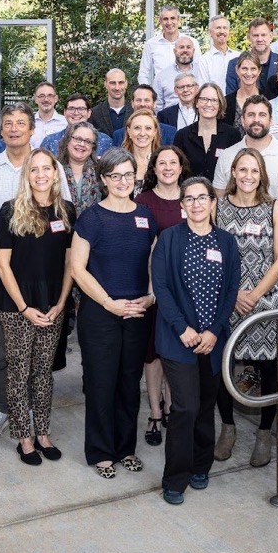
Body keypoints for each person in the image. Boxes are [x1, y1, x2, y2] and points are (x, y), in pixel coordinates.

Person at [0, 102, 74, 438]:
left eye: (21, 123)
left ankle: (33, 409)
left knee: (41, 359)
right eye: (8, 123)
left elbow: (66, 232)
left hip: (47, 282)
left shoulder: (54, 173)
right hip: (3, 274)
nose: (14, 128)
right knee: (3, 350)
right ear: (0, 130)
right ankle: (3, 407)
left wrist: (62, 296)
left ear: (33, 129)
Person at [70, 148, 159, 478]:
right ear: (103, 179)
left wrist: (150, 298)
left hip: (138, 311)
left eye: (128, 174)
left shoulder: (145, 216)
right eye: (115, 175)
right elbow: (78, 268)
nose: (123, 181)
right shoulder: (91, 218)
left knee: (128, 383)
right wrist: (108, 302)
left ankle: (126, 448)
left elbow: (153, 263)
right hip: (100, 312)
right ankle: (101, 452)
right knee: (101, 382)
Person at [151, 177, 241, 504]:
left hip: (213, 339)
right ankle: (176, 478)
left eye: (203, 198)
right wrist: (182, 329)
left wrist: (214, 331)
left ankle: (202, 465)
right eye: (190, 199)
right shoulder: (169, 239)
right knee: (185, 407)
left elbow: (231, 290)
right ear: (182, 205)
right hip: (179, 339)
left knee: (205, 405)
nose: (197, 204)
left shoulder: (227, 243)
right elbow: (161, 287)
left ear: (212, 203)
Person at [0, 148, 76, 465]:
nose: (41, 174)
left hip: (53, 304)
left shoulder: (66, 211)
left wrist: (60, 303)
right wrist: (25, 307)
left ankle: (43, 433)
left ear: (56, 173)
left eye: (47, 168)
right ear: (26, 175)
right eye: (34, 169)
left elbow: (71, 263)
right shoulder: (9, 211)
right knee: (18, 373)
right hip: (17, 306)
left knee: (43, 373)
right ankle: (24, 438)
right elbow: (2, 265)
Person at [214, 148, 278, 465]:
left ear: (262, 176)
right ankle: (228, 428)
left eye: (254, 171)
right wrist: (234, 296)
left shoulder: (274, 208)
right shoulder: (218, 208)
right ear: (233, 172)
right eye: (242, 170)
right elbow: (212, 253)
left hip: (264, 300)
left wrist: (255, 294)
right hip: (226, 299)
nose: (247, 176)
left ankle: (264, 433)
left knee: (267, 368)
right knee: (223, 365)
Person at [135, 146, 193, 446]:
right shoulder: (143, 201)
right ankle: (155, 412)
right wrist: (148, 290)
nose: (168, 168)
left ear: (181, 167)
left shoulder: (192, 198)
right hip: (152, 288)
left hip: (185, 292)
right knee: (153, 353)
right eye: (162, 163)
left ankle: (172, 407)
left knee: (176, 350)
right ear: (153, 168)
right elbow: (138, 247)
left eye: (173, 162)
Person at [212, 95, 278, 205]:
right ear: (242, 120)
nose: (256, 120)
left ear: (271, 120)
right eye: (251, 115)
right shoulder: (226, 156)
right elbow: (219, 203)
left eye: (262, 115)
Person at [175, 83, 240, 179]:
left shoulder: (232, 135)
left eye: (214, 100)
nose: (208, 104)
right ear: (196, 103)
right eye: (204, 99)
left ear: (220, 105)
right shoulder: (182, 135)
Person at [139, 3, 203, 88]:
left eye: (173, 18)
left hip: (187, 94)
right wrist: (148, 94)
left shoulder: (192, 43)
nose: (169, 22)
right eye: (165, 19)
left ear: (179, 20)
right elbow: (143, 73)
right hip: (161, 96)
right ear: (160, 21)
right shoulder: (151, 44)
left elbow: (199, 70)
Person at [40, 94, 114, 157]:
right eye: (71, 108)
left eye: (81, 109)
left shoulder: (105, 141)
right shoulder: (50, 141)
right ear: (65, 112)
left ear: (89, 113)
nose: (76, 113)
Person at [57, 121, 103, 216]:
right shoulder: (54, 169)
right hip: (61, 226)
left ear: (93, 147)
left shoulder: (101, 170)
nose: (82, 144)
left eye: (88, 141)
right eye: (78, 139)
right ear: (67, 141)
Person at [226, 17, 278, 96]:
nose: (260, 39)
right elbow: (231, 98)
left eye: (263, 35)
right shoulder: (234, 64)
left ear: (271, 36)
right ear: (248, 37)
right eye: (255, 35)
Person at [112, 86, 177, 145]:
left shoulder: (170, 133)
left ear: (154, 103)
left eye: (147, 100)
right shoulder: (119, 135)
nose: (142, 104)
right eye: (138, 100)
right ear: (132, 103)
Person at [122, 108, 162, 196]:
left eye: (148, 128)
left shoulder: (162, 162)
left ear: (155, 132)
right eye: (137, 128)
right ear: (129, 132)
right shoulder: (119, 162)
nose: (142, 133)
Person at [224, 53, 264, 129]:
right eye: (244, 68)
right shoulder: (226, 102)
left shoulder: (268, 99)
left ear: (259, 71)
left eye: (253, 69)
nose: (249, 73)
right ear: (237, 70)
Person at [88, 68, 131, 138]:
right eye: (113, 83)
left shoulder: (135, 112)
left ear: (126, 84)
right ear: (105, 84)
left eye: (121, 83)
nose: (117, 88)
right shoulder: (94, 114)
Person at [204, 15, 240, 89]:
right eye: (218, 28)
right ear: (210, 32)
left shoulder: (239, 57)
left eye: (225, 28)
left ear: (229, 32)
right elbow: (203, 88)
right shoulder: (204, 60)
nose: (222, 31)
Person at [30, 81, 67, 147]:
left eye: (50, 96)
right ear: (35, 99)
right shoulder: (28, 122)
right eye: (42, 96)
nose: (46, 99)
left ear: (56, 99)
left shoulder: (66, 123)